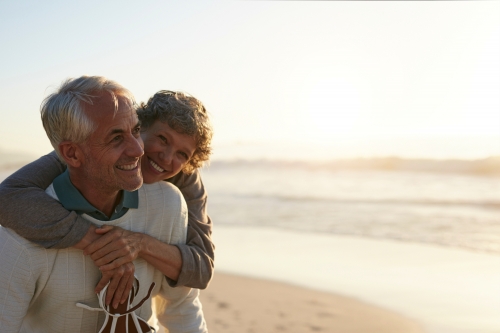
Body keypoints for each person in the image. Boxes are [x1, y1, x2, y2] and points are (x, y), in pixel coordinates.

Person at [0, 76, 207, 332]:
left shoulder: (171, 201)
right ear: (72, 154)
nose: (138, 150)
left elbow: (187, 298)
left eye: (133, 131)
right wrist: (100, 244)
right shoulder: (21, 227)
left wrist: (139, 244)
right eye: (116, 138)